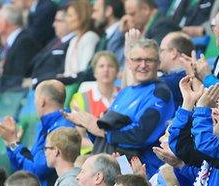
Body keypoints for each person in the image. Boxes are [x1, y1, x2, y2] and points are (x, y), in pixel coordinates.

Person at [67, 38, 173, 177]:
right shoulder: (125, 92)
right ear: (129, 63)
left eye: (149, 60)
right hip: (116, 168)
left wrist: (102, 132)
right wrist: (89, 125)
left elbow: (140, 136)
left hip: (143, 174)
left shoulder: (160, 93)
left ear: (158, 64)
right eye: (137, 60)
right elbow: (104, 133)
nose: (143, 65)